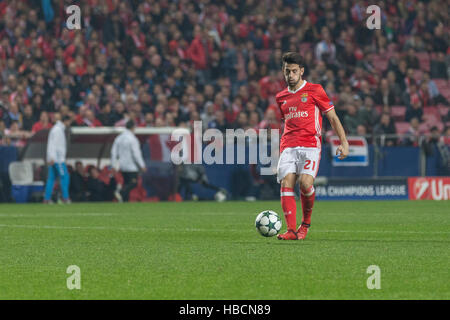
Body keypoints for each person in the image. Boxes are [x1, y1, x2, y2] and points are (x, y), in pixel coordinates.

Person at [275, 52, 349, 240]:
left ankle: (305, 224)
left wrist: (344, 142)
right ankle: (291, 231)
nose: (290, 75)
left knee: (306, 183)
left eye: (293, 71)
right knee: (286, 183)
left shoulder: (315, 90)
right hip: (288, 146)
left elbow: (332, 117)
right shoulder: (281, 97)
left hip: (310, 144)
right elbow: (287, 122)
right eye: (286, 71)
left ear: (301, 71)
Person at [110, 120, 146, 202]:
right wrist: (142, 165)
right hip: (131, 166)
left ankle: (124, 201)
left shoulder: (118, 138)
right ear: (133, 127)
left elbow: (113, 152)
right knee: (134, 183)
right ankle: (121, 192)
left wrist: (113, 165)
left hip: (122, 166)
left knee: (126, 183)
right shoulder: (133, 139)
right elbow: (136, 153)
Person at [44, 115, 72, 204]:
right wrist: (52, 157)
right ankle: (65, 198)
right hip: (58, 159)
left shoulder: (56, 129)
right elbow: (54, 145)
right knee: (65, 177)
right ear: (66, 121)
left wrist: (50, 157)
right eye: (69, 122)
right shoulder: (58, 130)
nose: (69, 124)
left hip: (54, 158)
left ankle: (47, 199)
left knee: (51, 179)